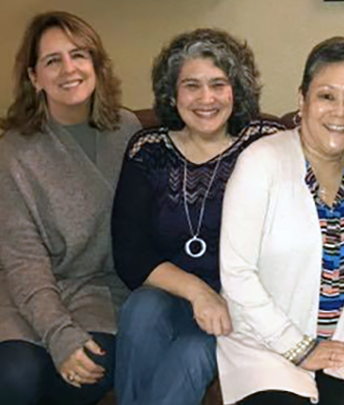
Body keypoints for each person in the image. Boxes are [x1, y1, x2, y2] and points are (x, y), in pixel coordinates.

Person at [0, 11, 141, 405]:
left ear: (95, 63)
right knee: (15, 378)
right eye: (52, 60)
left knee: (87, 374)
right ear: (34, 77)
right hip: (20, 285)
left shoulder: (128, 132)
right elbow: (23, 258)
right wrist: (59, 333)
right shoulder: (12, 151)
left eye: (79, 55)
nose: (69, 69)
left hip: (98, 287)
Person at [111, 28, 283, 405]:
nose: (206, 99)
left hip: (244, 301)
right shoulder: (148, 150)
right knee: (141, 309)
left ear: (235, 91)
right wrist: (198, 292)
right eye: (192, 86)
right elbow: (130, 253)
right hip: (173, 296)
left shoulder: (267, 142)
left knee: (191, 354)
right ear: (172, 94)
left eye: (218, 84)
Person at [217, 37, 344, 405]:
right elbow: (236, 272)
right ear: (302, 98)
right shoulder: (261, 162)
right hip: (266, 347)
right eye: (326, 96)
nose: (340, 112)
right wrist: (298, 347)